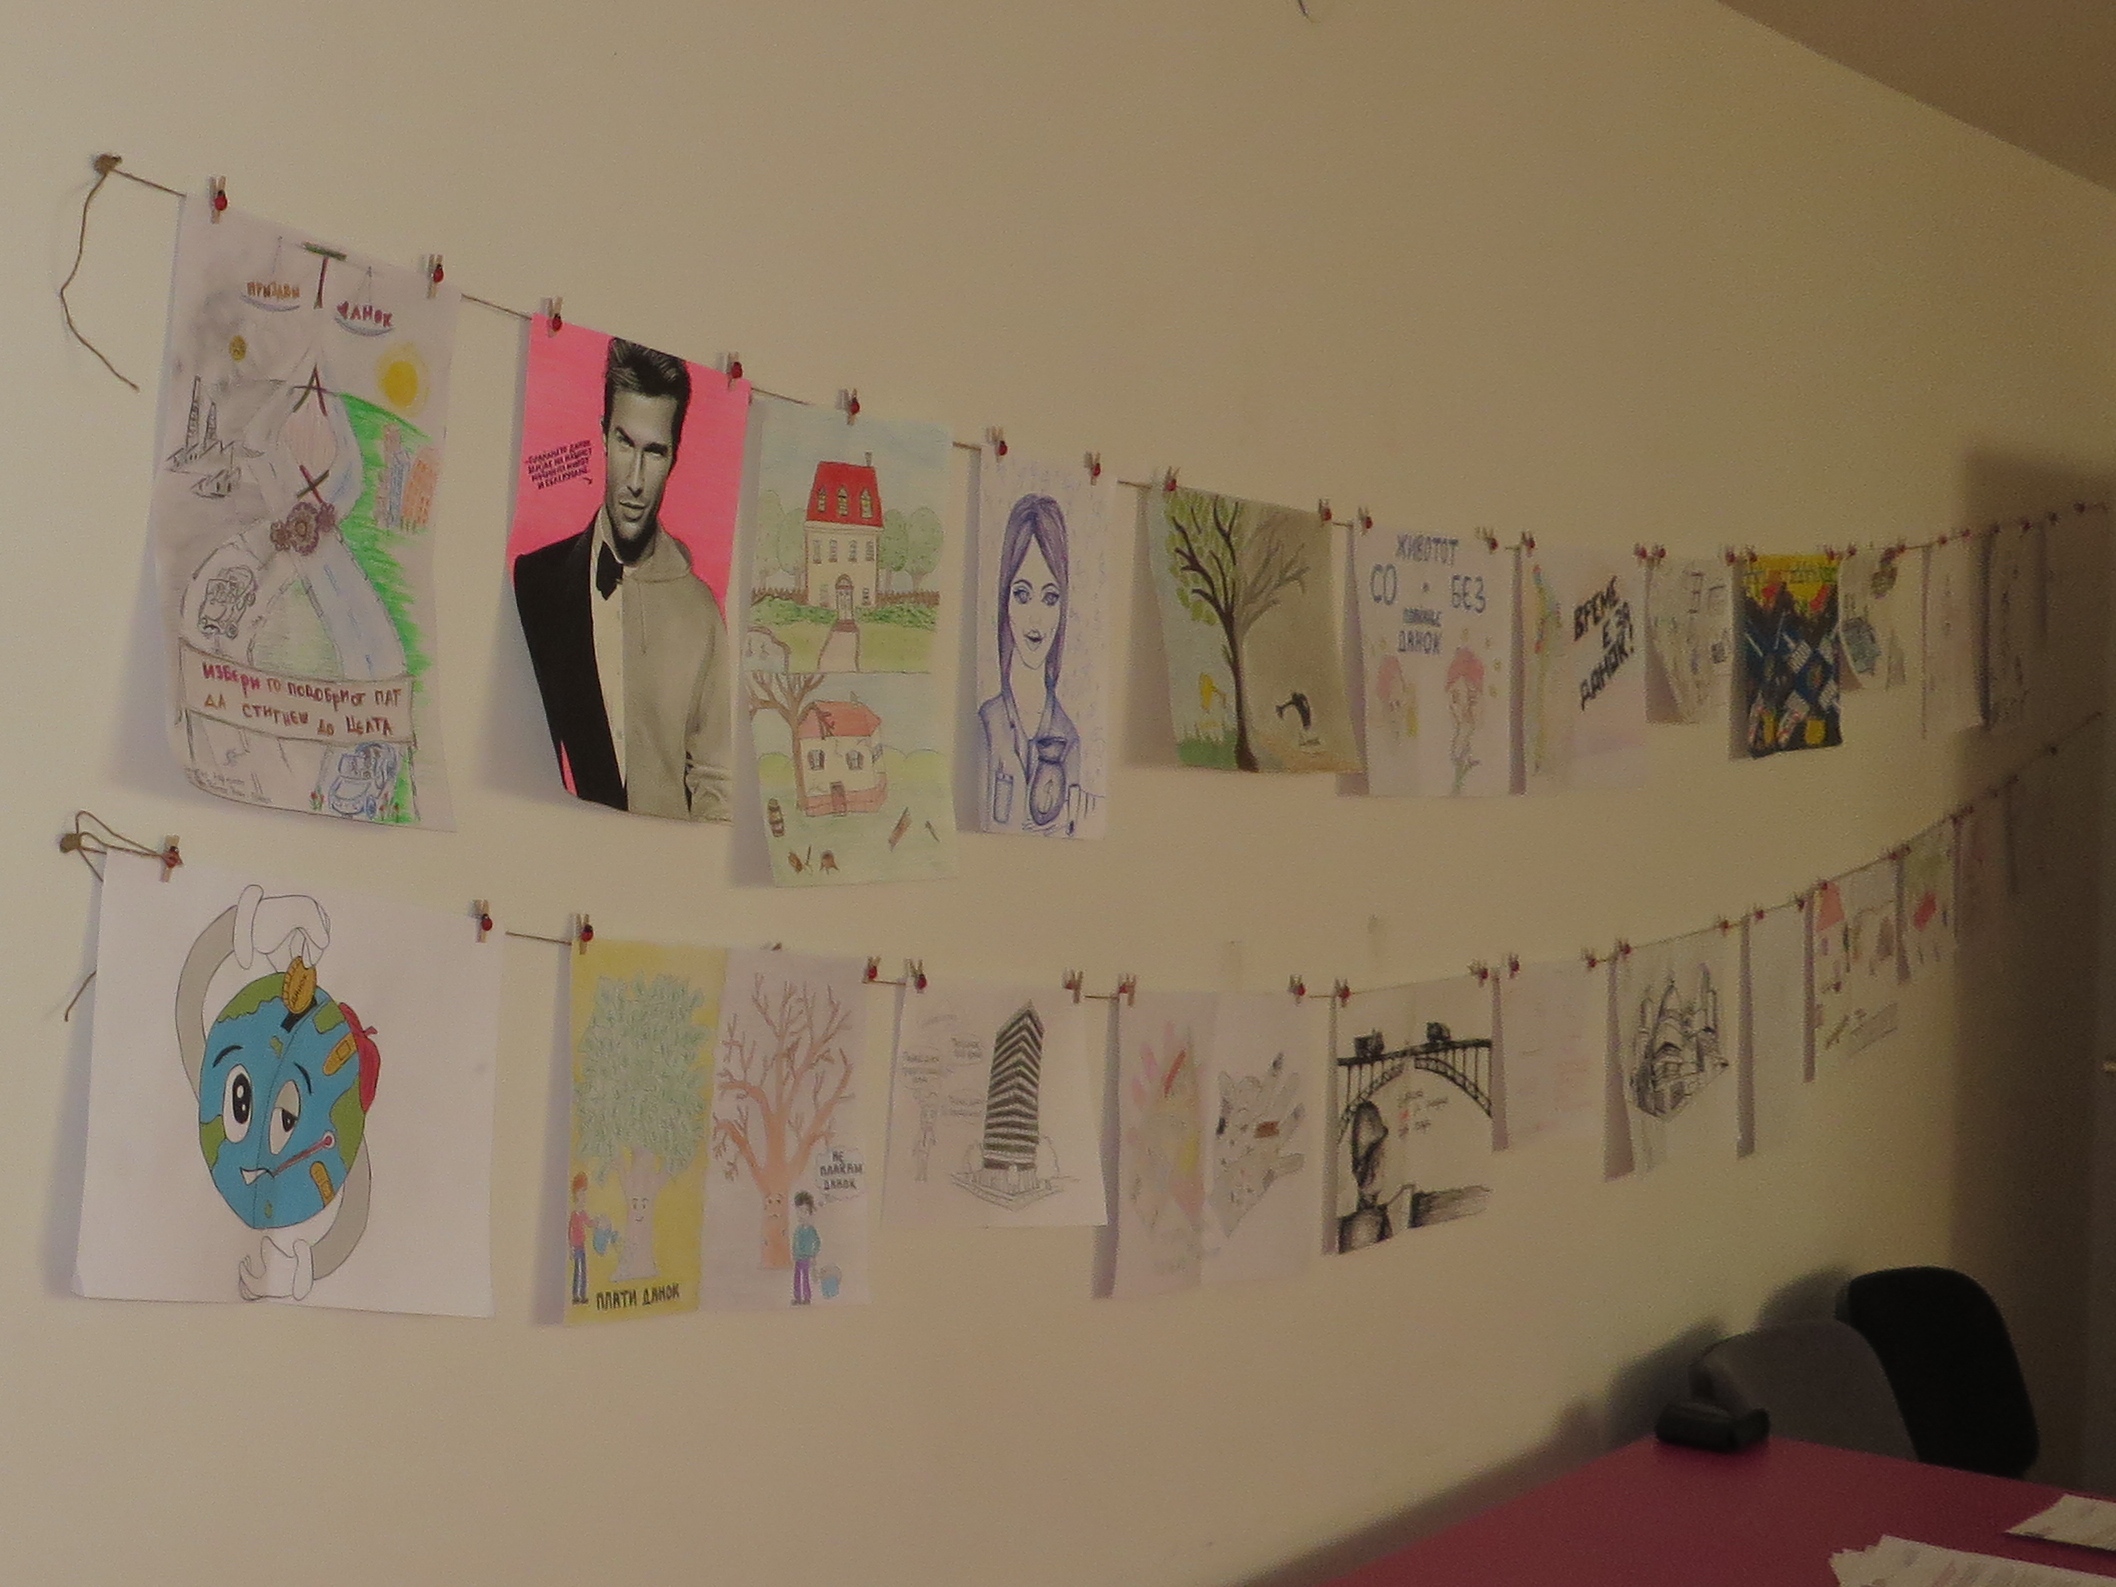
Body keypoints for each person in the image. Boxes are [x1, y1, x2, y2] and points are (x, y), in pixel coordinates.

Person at [513, 339, 731, 821]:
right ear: (602, 435)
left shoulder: (700, 612)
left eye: (654, 452)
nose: (634, 479)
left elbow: (718, 782)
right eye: (625, 443)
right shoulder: (536, 583)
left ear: (674, 458)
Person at [979, 493, 1088, 834]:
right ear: (1005, 600)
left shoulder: (1068, 738)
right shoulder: (988, 720)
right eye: (1022, 595)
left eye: (1050, 597)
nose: (1036, 618)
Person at [790, 1192, 821, 1306]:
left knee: (805, 1278)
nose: (801, 1215)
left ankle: (807, 1297)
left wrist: (813, 1255)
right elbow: (795, 1243)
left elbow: (817, 1242)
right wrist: (794, 1254)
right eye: (799, 1211)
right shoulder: (798, 1230)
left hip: (807, 1258)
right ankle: (797, 1297)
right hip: (798, 1258)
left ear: (810, 1212)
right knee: (797, 1277)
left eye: (805, 1211)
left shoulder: (811, 1230)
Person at [567, 1173, 592, 1305]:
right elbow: (570, 1232)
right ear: (576, 1194)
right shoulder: (574, 1214)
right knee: (578, 1270)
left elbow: (589, 1223)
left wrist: (598, 1222)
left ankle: (582, 1295)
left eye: (584, 1192)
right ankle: (576, 1295)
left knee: (583, 1270)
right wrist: (571, 1248)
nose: (584, 1196)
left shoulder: (582, 1213)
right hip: (576, 1246)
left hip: (581, 1245)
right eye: (582, 1192)